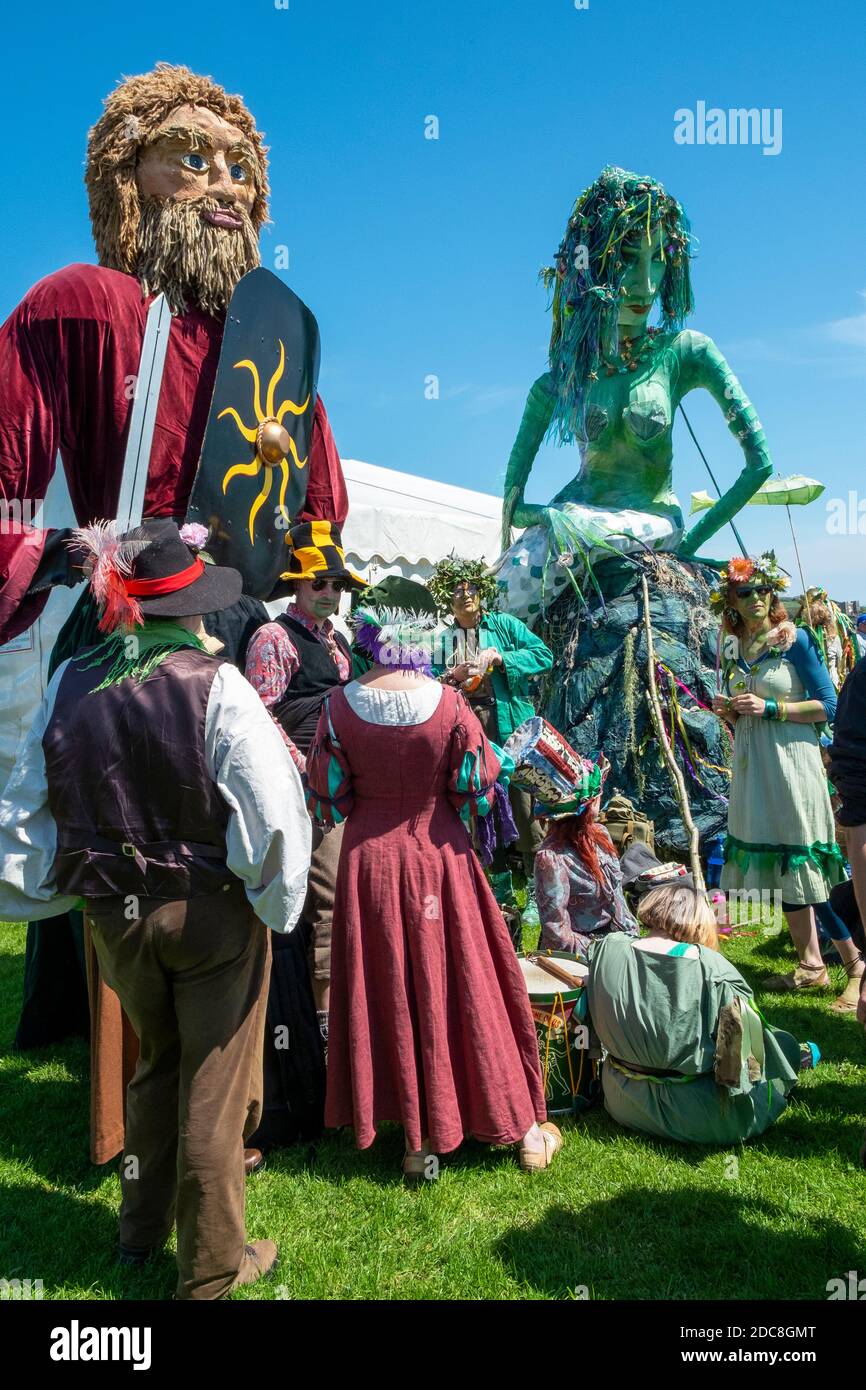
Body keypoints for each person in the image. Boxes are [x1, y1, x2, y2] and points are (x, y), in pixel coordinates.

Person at [0, 65, 347, 1158]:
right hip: (126, 626)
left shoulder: (278, 344)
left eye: (238, 166)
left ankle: (264, 1085)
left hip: (247, 635)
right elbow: (8, 484)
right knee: (131, 863)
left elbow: (318, 524)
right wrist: (58, 555)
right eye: (192, 157)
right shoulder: (85, 302)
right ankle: (144, 1111)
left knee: (266, 847)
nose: (226, 184)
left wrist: (309, 592)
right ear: (126, 179)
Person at [0, 521, 312, 1297]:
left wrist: (58, 888)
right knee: (211, 1088)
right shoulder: (218, 684)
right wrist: (271, 903)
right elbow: (272, 815)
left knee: (155, 1068)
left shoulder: (71, 680)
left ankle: (139, 1233)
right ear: (186, 606)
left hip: (117, 921)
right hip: (208, 917)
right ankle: (209, 1268)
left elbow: (26, 809)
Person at [305, 603, 562, 1175]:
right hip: (439, 858)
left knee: (391, 983)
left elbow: (329, 795)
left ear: (371, 642)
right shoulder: (449, 705)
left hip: (369, 860)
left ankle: (417, 1143)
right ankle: (515, 1124)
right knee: (468, 977)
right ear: (419, 642)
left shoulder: (337, 707)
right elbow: (473, 790)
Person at [494, 165, 774, 623]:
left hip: (651, 523)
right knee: (499, 596)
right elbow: (512, 504)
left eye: (659, 258)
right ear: (595, 267)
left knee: (563, 547)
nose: (647, 283)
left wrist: (686, 544)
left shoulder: (687, 352)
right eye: (627, 257)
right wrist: (548, 517)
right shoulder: (560, 383)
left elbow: (760, 462)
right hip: (574, 522)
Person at [710, 552, 864, 1012]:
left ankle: (856, 965)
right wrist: (731, 708)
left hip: (793, 764)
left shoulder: (796, 640)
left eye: (761, 590)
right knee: (779, 862)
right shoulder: (742, 647)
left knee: (806, 862)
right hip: (755, 764)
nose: (755, 598)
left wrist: (773, 709)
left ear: (773, 594)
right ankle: (809, 964)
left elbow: (832, 706)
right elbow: (751, 700)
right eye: (744, 592)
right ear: (731, 601)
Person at [245, 520, 365, 1054]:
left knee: (347, 904)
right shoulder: (274, 637)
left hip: (343, 789)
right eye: (320, 583)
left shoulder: (338, 642)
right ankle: (327, 1045)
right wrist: (310, 771)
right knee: (329, 906)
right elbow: (259, 718)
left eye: (337, 585)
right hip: (305, 794)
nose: (331, 593)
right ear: (297, 584)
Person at [587, 884, 815, 1145]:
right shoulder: (716, 971)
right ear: (700, 921)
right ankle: (802, 1054)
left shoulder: (607, 949)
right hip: (701, 1116)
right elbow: (741, 1069)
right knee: (783, 1045)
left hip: (621, 1101)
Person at [429, 554, 553, 935]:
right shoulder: (444, 638)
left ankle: (535, 892)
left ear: (480, 593)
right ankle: (499, 886)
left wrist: (502, 658)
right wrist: (451, 674)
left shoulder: (504, 626)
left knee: (524, 803)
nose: (464, 594)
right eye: (456, 590)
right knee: (482, 802)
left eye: (470, 588)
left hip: (509, 727)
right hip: (469, 732)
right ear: (447, 599)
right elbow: (431, 679)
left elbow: (544, 656)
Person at [529, 753, 639, 960]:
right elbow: (557, 934)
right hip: (578, 955)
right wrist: (602, 955)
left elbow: (617, 899)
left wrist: (630, 939)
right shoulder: (552, 857)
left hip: (613, 942)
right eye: (596, 796)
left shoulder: (600, 834)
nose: (600, 799)